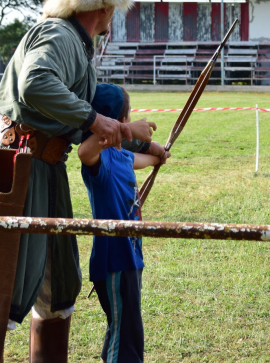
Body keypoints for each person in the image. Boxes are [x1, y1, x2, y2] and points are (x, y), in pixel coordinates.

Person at [0, 0, 167, 362]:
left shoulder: (74, 43)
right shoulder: (59, 35)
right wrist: (99, 121)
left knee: (58, 286)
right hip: (19, 167)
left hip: (46, 167)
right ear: (103, 7)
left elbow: (79, 115)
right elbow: (36, 85)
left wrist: (136, 140)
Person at [79, 84, 170, 363]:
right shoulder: (99, 160)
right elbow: (84, 152)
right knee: (127, 339)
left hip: (130, 259)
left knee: (122, 331)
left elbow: (148, 159)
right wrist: (128, 131)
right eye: (127, 118)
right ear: (118, 123)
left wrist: (157, 152)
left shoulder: (120, 156)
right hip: (115, 262)